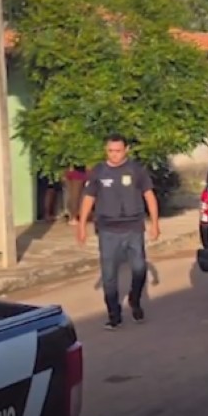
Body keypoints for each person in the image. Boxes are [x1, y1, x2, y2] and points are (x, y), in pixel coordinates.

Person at [77, 133, 161, 330]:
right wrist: (81, 226)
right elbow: (88, 198)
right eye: (110, 151)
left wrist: (155, 223)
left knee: (139, 269)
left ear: (126, 150)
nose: (114, 154)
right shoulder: (99, 171)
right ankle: (114, 315)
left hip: (133, 228)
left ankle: (134, 299)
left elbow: (149, 196)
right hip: (108, 230)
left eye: (118, 151)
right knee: (109, 275)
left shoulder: (136, 170)